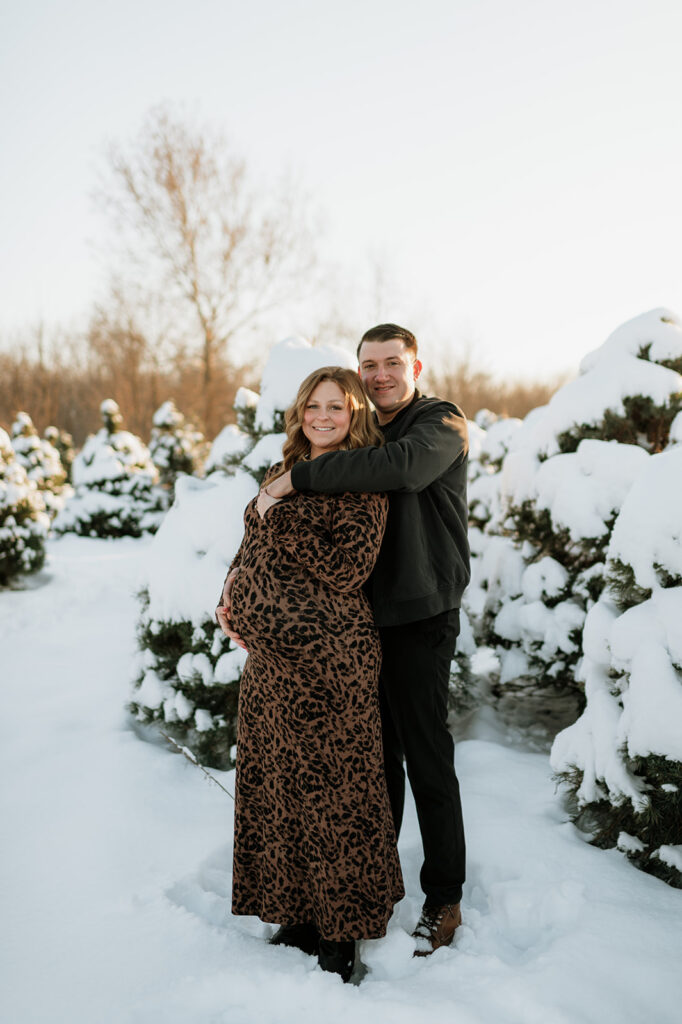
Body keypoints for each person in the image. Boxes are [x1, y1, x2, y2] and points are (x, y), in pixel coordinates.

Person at [265, 324, 470, 956]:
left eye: (390, 363)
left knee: (425, 757)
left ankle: (444, 898)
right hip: (356, 624)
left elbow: (400, 471)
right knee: (368, 767)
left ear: (414, 365)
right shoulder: (364, 430)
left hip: (420, 614)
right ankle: (369, 887)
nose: (379, 374)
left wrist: (298, 477)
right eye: (368, 364)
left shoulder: (440, 423)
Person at [216, 366, 404, 984]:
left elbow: (347, 567)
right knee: (279, 790)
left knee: (336, 796)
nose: (323, 417)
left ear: (355, 416)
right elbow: (253, 546)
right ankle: (295, 913)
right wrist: (231, 592)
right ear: (299, 412)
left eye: (338, 408)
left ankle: (340, 932)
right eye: (313, 406)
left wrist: (281, 503)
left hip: (331, 663)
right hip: (271, 664)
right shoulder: (281, 472)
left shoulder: (361, 481)